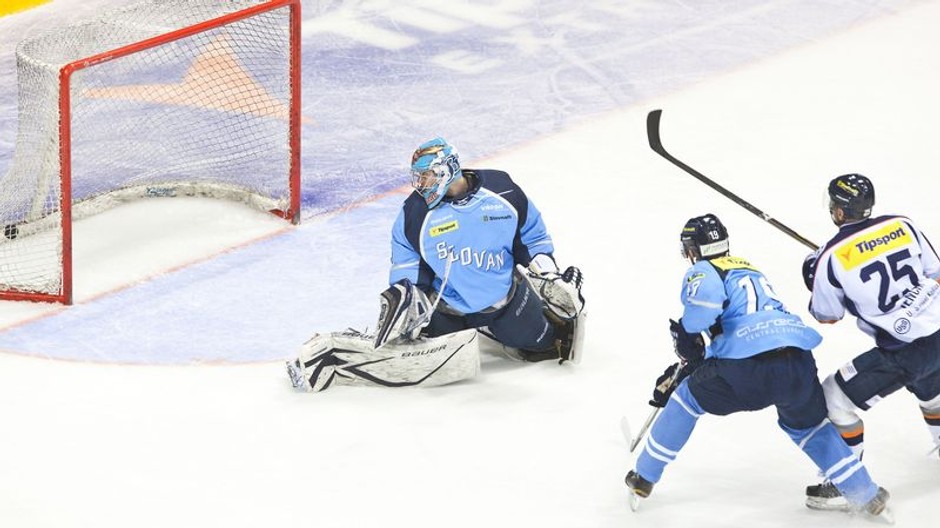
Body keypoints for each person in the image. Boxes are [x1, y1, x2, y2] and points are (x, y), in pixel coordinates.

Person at [624, 213, 889, 519]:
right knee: (810, 428)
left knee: (686, 399)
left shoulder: (702, 271)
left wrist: (687, 336)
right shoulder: (746, 267)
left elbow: (702, 313)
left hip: (749, 367)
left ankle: (644, 476)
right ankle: (865, 493)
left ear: (693, 249)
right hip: (797, 358)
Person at [286, 137, 584, 392]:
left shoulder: (502, 191)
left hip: (506, 303)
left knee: (547, 344)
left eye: (426, 176)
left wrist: (549, 274)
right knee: (408, 353)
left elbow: (531, 238)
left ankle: (526, 319)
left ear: (446, 171)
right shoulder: (415, 213)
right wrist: (406, 296)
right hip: (446, 312)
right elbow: (407, 264)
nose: (421, 184)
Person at [801, 173, 940, 508]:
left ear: (838, 211)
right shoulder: (902, 224)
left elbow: (827, 315)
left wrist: (815, 273)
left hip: (902, 353)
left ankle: (846, 485)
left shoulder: (831, 258)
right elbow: (935, 273)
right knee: (932, 387)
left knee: (833, 397)